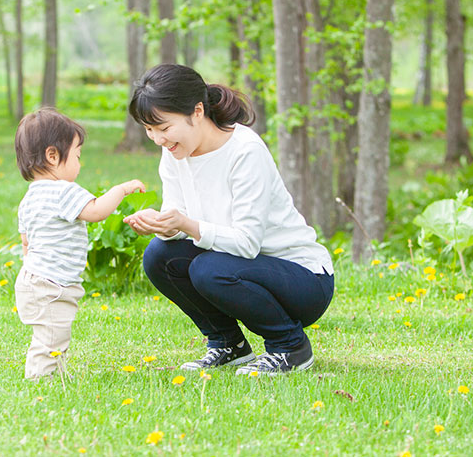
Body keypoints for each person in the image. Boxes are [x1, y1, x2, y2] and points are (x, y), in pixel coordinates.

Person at [123, 64, 334, 376]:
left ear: (197, 112)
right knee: (159, 256)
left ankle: (290, 347)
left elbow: (247, 243)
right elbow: (178, 218)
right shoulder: (175, 154)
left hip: (303, 280)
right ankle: (228, 344)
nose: (157, 139)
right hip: (239, 268)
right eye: (149, 130)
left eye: (164, 128)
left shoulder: (244, 151)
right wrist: (164, 226)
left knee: (210, 269)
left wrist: (185, 224)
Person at [14, 107, 146, 379]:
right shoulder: (63, 191)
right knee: (51, 339)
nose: (80, 163)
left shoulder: (29, 198)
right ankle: (40, 382)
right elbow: (96, 212)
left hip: (33, 279)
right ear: (53, 156)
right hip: (52, 285)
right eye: (77, 156)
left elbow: (26, 242)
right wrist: (121, 190)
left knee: (51, 335)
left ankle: (53, 375)